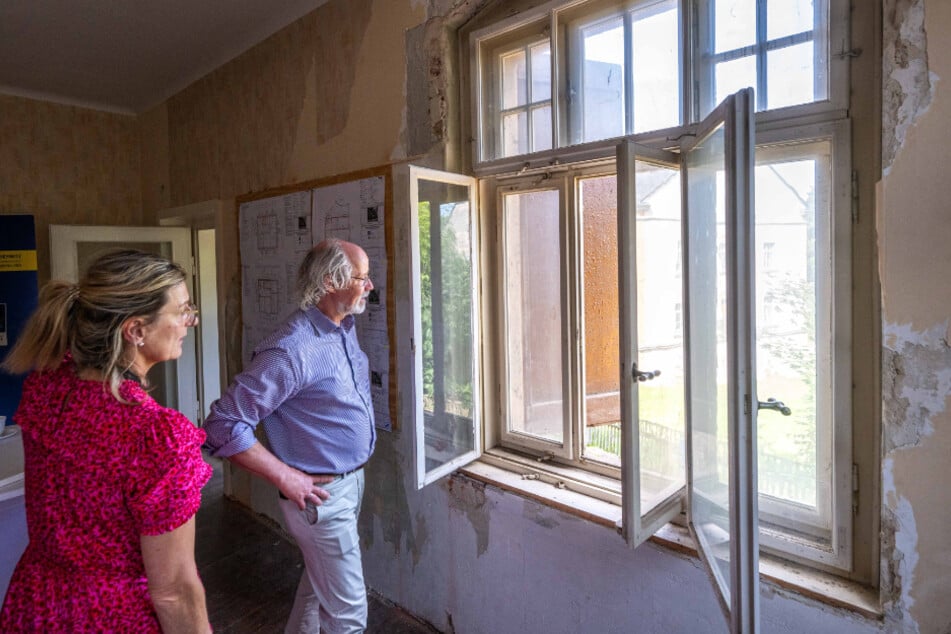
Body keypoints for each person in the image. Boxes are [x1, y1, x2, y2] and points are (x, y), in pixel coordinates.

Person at [0, 249, 213, 633]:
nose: (190, 322)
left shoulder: (46, 386)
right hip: (110, 617)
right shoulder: (158, 437)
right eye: (181, 311)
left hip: (37, 602)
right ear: (135, 330)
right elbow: (174, 592)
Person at [204, 238, 376, 634]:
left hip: (349, 483)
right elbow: (224, 423)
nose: (369, 286)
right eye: (362, 278)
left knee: (319, 587)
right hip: (320, 496)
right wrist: (285, 476)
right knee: (348, 617)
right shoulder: (291, 350)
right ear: (332, 281)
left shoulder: (342, 328)